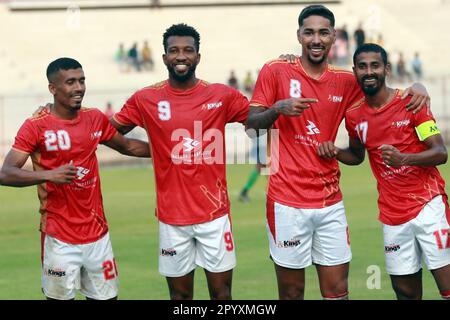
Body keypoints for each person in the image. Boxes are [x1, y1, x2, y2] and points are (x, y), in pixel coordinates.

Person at [246, 4, 430, 300]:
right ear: (299, 35)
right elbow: (251, 125)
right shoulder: (275, 70)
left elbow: (381, 92)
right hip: (286, 202)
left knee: (337, 292)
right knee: (291, 293)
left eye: (322, 32)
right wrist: (277, 109)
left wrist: (418, 85)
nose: (315, 39)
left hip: (330, 201)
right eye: (309, 33)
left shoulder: (347, 82)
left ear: (334, 36)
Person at [110, 23, 249, 300]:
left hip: (214, 215)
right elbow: (107, 132)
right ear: (164, 58)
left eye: (187, 50)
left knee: (222, 296)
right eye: (173, 51)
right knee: (180, 298)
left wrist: (283, 76)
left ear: (198, 56)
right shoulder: (146, 98)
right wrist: (150, 149)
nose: (180, 56)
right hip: (172, 218)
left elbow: (256, 118)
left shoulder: (221, 94)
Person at [0, 58, 150, 300]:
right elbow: (5, 173)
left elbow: (128, 147)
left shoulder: (94, 118)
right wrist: (50, 175)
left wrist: (170, 148)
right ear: (53, 88)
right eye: (70, 82)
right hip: (59, 236)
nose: (79, 87)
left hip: (98, 234)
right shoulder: (35, 126)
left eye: (81, 81)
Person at [318, 43, 450, 300]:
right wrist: (334, 151)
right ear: (355, 70)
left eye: (375, 65)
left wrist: (403, 158)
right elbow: (357, 156)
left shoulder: (411, 102)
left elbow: (440, 152)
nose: (369, 71)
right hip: (392, 215)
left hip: (429, 207)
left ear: (386, 69)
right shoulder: (354, 116)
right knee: (405, 293)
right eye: (363, 66)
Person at [238, 135, 267, 203]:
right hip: (261, 145)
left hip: (261, 145)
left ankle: (244, 192)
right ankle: (244, 192)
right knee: (263, 168)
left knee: (263, 168)